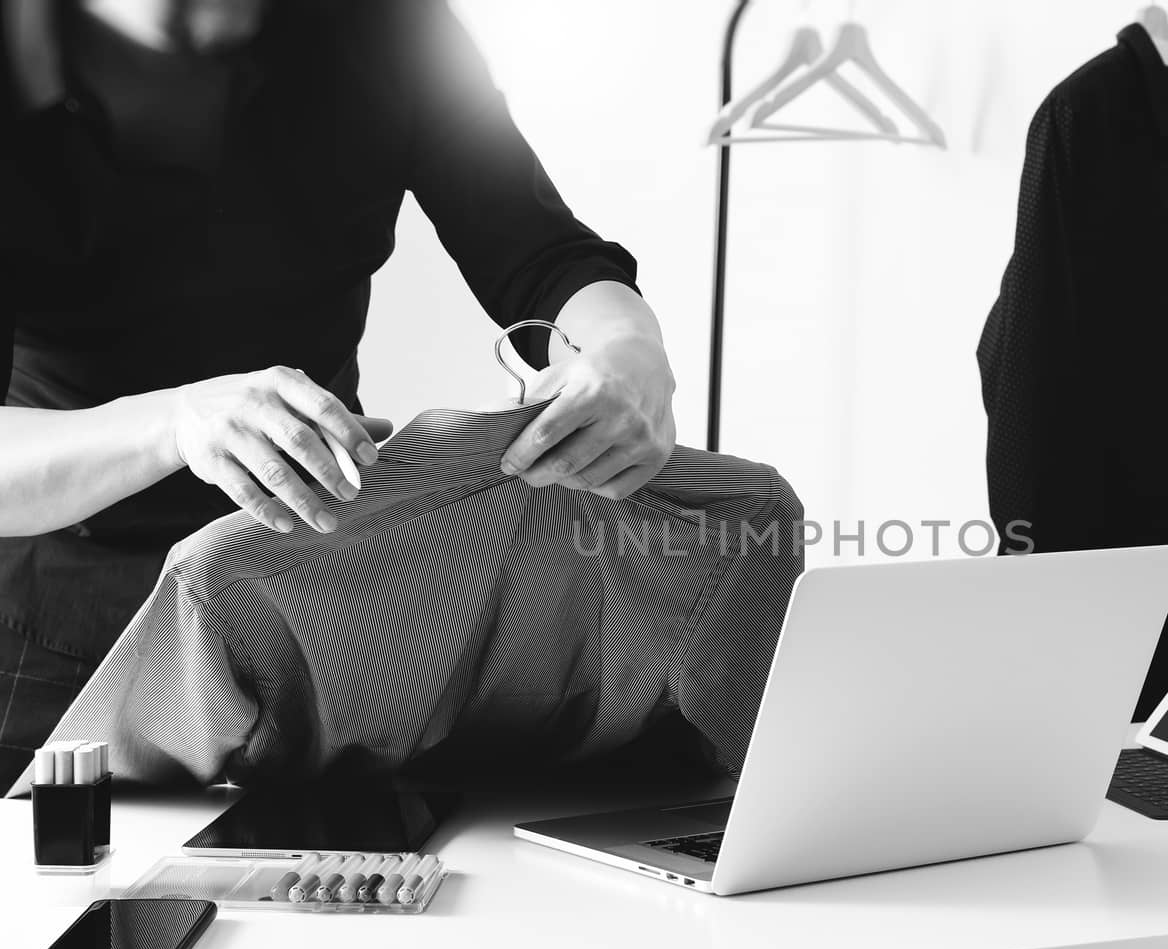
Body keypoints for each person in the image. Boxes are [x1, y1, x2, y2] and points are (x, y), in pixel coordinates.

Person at [0, 0, 678, 784]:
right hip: (59, 648)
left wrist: (629, 349)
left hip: (312, 609)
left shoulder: (387, 26)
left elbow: (543, 256)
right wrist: (178, 424)